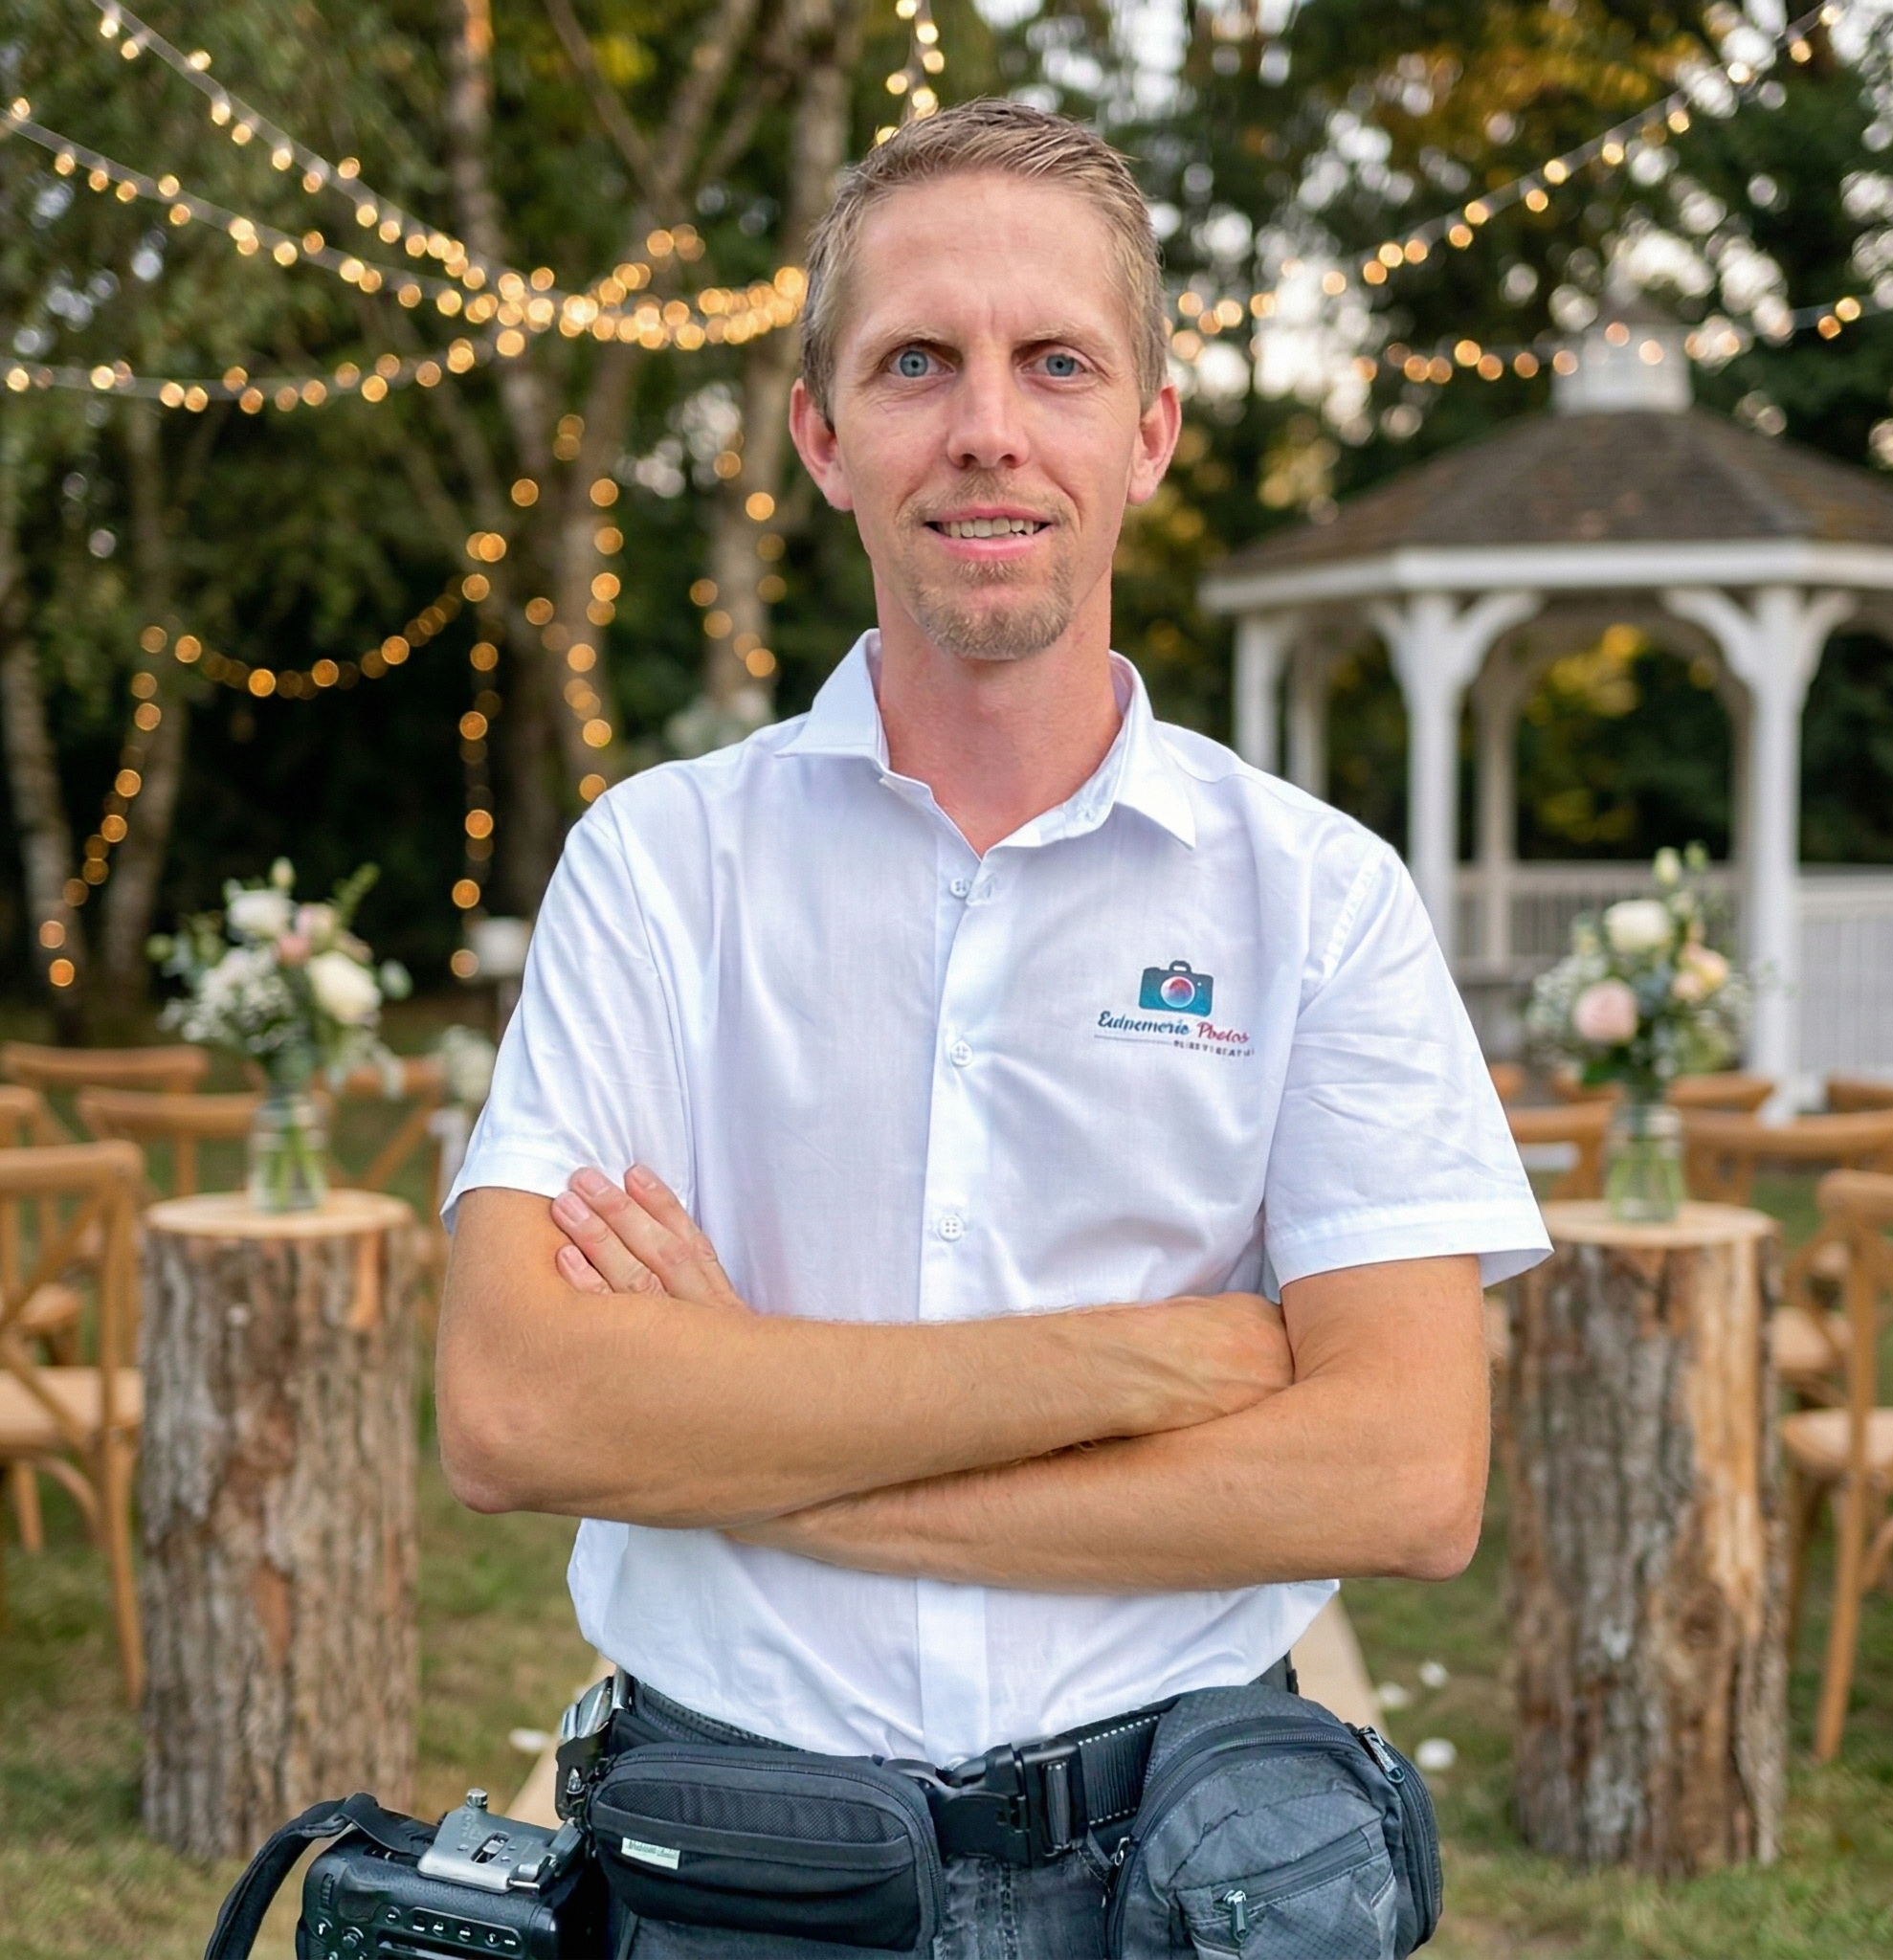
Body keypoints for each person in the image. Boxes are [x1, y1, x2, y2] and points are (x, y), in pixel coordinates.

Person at [438, 99, 1548, 1957]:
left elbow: (1405, 1475)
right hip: (732, 1870)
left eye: (1054, 362)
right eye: (913, 364)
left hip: (1184, 1877)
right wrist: (1156, 1363)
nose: (986, 427)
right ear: (819, 431)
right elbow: (513, 1402)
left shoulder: (1315, 896)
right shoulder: (656, 868)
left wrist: (753, 1440)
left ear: (1149, 431)